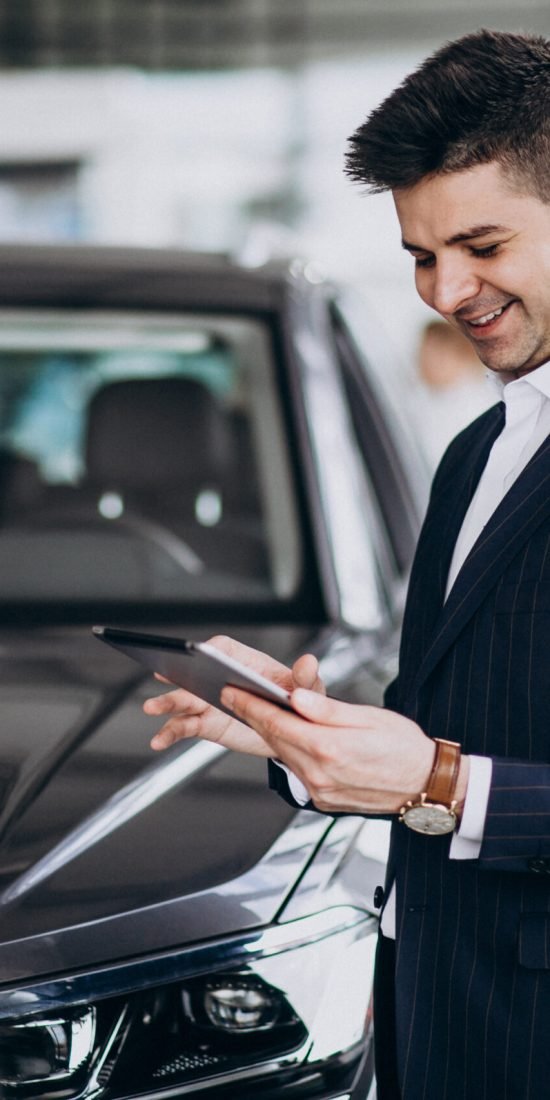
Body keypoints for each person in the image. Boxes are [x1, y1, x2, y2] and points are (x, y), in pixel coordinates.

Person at [144, 29, 550, 1100]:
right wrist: (300, 735)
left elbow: (445, 775)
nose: (444, 290)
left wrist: (438, 783)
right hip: (441, 1028)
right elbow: (450, 735)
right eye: (420, 254)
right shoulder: (478, 451)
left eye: (481, 245)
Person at [411, 319, 493, 468]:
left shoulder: (475, 406)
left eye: (439, 356)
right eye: (424, 352)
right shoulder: (416, 399)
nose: (427, 361)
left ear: (462, 357)